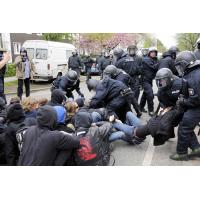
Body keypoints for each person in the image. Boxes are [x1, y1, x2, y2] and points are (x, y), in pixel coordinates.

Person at [169, 51, 200, 160]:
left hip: (197, 106)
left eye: (180, 65)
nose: (179, 68)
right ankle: (196, 148)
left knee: (184, 127)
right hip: (196, 105)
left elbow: (195, 100)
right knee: (187, 124)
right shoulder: (195, 71)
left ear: (185, 63)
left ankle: (181, 153)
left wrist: (182, 101)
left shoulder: (193, 76)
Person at [139, 47, 159, 116]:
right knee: (150, 94)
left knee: (145, 94)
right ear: (149, 53)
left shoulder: (155, 60)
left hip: (150, 80)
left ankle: (140, 107)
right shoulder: (146, 59)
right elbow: (154, 67)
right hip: (144, 80)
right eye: (152, 52)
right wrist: (160, 62)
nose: (153, 53)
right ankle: (151, 110)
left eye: (155, 52)